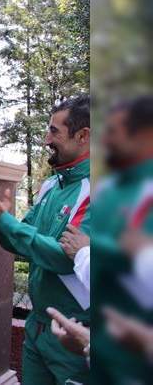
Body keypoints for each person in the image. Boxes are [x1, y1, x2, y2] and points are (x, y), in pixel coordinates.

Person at [0, 95, 91, 384]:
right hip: (36, 330)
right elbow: (18, 244)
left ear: (83, 136)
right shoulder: (51, 185)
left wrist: (4, 221)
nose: (46, 139)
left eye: (54, 131)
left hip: (73, 336)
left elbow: (66, 260)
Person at [89, 96, 153, 383]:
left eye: (113, 132)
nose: (105, 141)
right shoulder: (107, 188)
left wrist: (87, 248)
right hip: (98, 349)